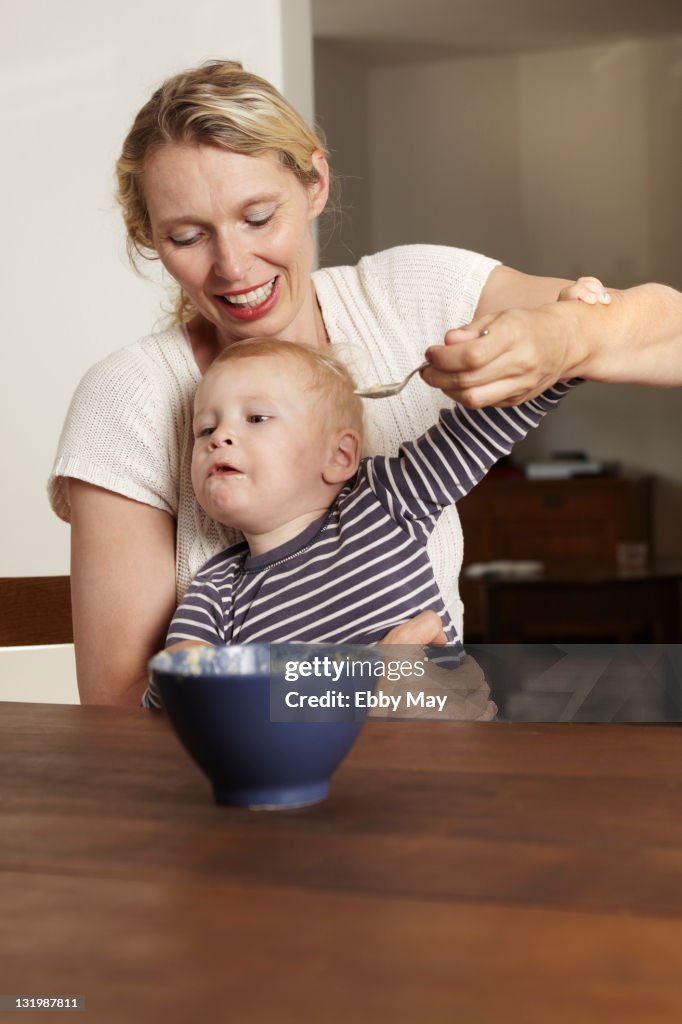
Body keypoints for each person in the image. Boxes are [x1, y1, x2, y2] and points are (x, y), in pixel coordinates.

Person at [47, 60, 682, 707]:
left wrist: (564, 342)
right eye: (186, 236)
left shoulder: (410, 300)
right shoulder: (129, 400)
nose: (234, 266)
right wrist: (363, 688)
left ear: (315, 183)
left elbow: (666, 336)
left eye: (260, 216)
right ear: (148, 236)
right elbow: (123, 707)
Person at [142, 335, 576, 708]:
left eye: (256, 418)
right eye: (204, 430)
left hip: (444, 757)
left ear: (340, 456)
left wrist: (567, 351)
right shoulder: (216, 588)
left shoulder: (382, 499)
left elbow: (479, 431)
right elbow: (178, 694)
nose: (219, 437)